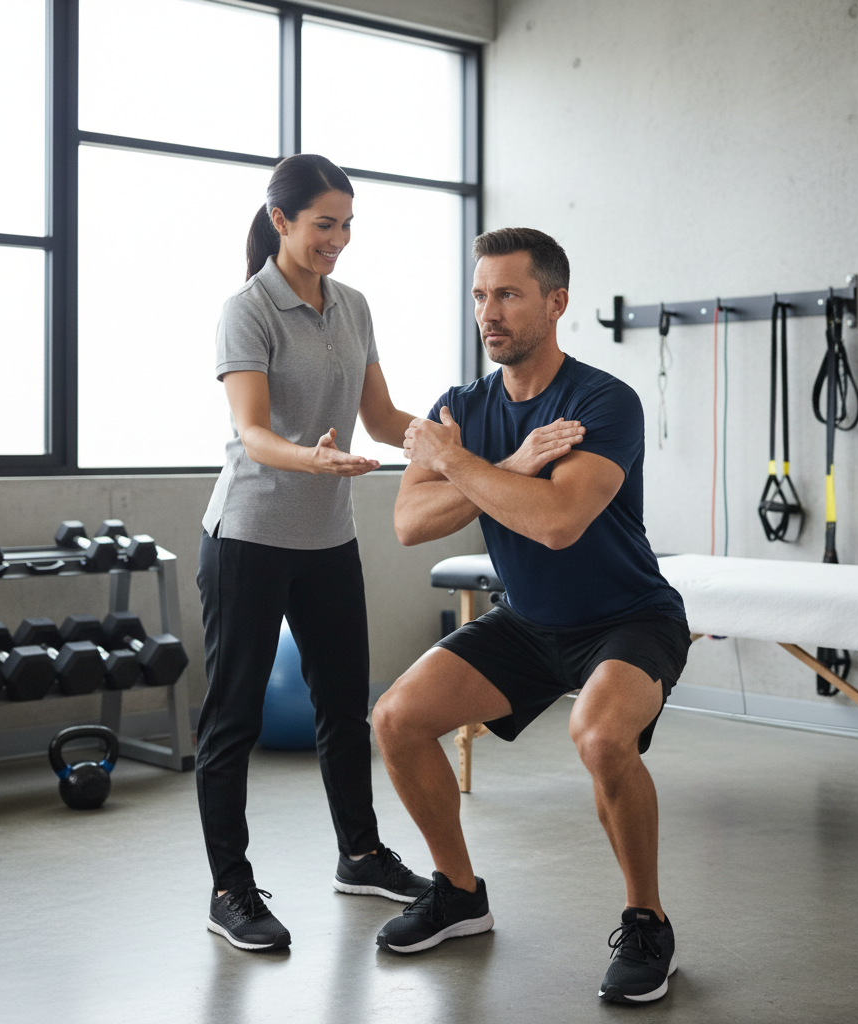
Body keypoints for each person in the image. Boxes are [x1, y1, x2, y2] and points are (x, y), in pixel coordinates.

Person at [371, 227, 691, 1004]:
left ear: (556, 302)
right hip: (529, 619)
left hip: (628, 617)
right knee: (396, 719)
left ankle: (647, 920)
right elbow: (410, 524)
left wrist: (454, 461)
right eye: (481, 295)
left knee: (602, 737)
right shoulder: (463, 409)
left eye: (509, 294)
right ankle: (458, 893)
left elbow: (556, 521)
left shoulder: (602, 401)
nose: (490, 312)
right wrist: (503, 465)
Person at [196, 153, 431, 952]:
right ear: (281, 220)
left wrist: (461, 438)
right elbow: (254, 432)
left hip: (328, 536)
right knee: (232, 718)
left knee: (343, 706)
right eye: (325, 224)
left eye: (348, 225)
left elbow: (384, 416)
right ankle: (231, 889)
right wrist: (315, 458)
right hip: (251, 535)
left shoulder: (353, 305)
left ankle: (359, 854)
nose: (339, 240)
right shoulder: (247, 309)